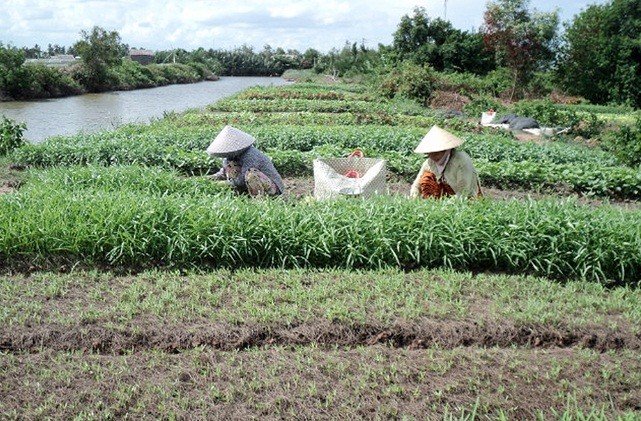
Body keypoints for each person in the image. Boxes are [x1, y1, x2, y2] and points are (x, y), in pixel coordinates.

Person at [206, 125, 285, 197]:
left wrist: (224, 183)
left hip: (272, 187)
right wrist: (209, 179)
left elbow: (242, 179)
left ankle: (260, 199)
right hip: (249, 185)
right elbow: (223, 172)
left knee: (251, 174)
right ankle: (241, 194)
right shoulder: (230, 158)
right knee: (231, 167)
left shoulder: (251, 155)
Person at [409, 125, 482, 199]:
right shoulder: (430, 161)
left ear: (445, 150)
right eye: (429, 154)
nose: (432, 157)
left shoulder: (461, 160)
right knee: (427, 178)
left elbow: (464, 192)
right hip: (443, 196)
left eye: (436, 153)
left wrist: (445, 206)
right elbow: (416, 185)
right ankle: (433, 202)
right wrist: (414, 197)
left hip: (465, 197)